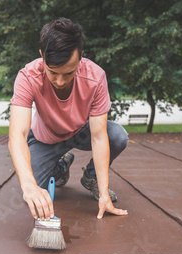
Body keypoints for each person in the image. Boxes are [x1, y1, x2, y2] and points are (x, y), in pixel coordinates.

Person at [8, 17, 128, 220]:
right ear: (41, 56)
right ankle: (60, 166)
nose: (60, 81)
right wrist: (28, 185)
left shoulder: (95, 77)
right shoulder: (28, 77)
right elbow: (17, 135)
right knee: (31, 193)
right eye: (53, 72)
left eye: (68, 73)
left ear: (81, 57)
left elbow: (98, 137)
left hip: (80, 132)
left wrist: (104, 191)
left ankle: (90, 178)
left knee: (117, 135)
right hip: (45, 139)